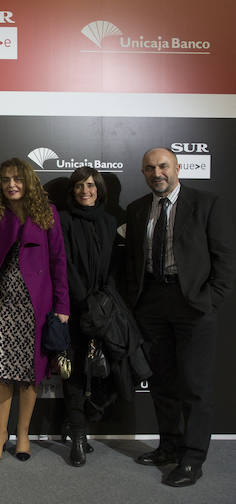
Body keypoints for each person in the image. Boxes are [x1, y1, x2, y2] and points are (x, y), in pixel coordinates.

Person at [126, 147, 236, 487]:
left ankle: (192, 458)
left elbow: (225, 259)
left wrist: (209, 300)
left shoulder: (207, 203)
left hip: (193, 304)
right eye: (149, 168)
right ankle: (169, 446)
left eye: (162, 166)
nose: (156, 172)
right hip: (152, 303)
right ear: (143, 173)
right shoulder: (137, 209)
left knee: (195, 384)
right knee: (162, 381)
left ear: (177, 167)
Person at [0, 158, 69, 462]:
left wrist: (62, 306)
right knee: (1, 370)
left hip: (36, 306)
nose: (11, 184)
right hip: (2, 306)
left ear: (28, 181)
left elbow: (59, 262)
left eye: (17, 179)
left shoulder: (47, 214)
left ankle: (23, 434)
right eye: (5, 179)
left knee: (30, 372)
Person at [58, 167, 117, 467]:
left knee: (113, 371)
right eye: (80, 186)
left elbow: (114, 266)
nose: (85, 191)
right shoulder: (64, 220)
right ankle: (79, 437)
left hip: (106, 309)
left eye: (91, 185)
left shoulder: (109, 221)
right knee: (76, 372)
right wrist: (85, 302)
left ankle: (77, 421)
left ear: (99, 189)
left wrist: (103, 302)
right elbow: (64, 263)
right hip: (76, 309)